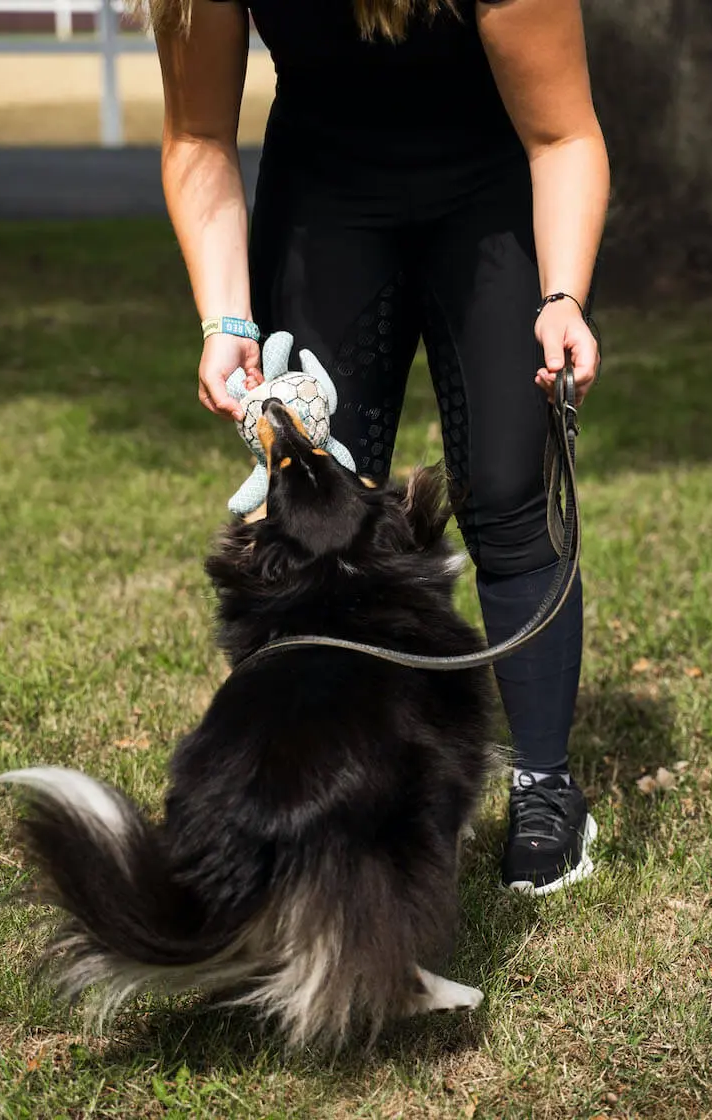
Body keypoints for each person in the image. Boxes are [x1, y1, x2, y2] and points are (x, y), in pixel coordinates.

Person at [150, 0, 610, 894]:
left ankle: (546, 787)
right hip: (326, 198)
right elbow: (197, 135)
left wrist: (563, 298)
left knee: (508, 490)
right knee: (318, 515)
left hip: (490, 196)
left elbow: (564, 139)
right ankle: (321, 792)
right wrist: (226, 318)